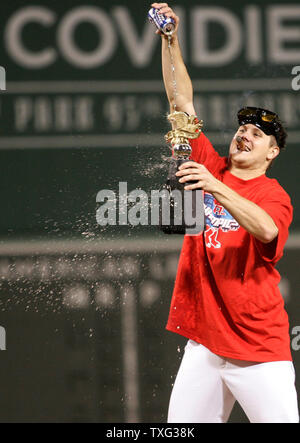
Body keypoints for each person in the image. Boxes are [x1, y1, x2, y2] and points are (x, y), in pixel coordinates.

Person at [151, 3, 299, 423]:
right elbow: (181, 99)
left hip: (258, 350)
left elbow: (267, 229)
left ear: (272, 153)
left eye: (257, 134)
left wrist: (215, 186)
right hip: (205, 346)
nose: (244, 135)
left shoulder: (272, 194)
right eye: (242, 129)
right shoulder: (208, 163)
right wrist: (170, 39)